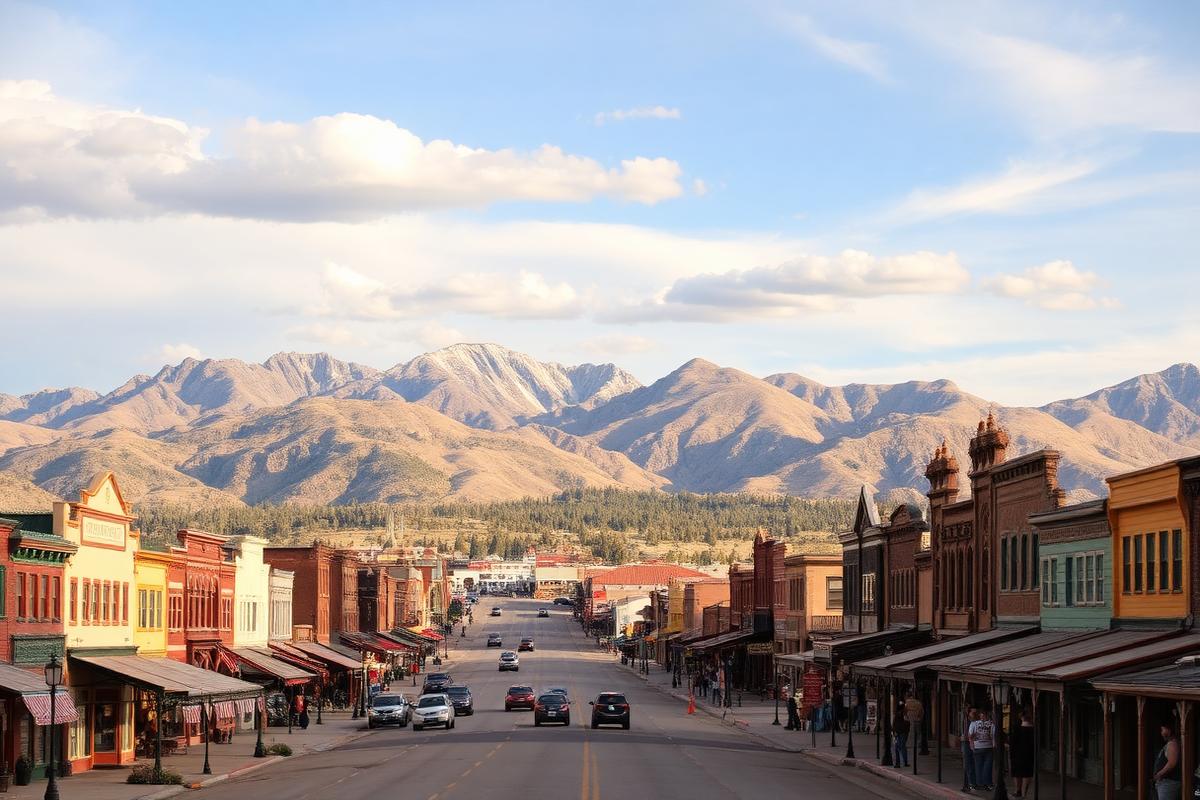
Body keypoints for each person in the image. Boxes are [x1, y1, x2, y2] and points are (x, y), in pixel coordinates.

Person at [1009, 707, 1035, 798]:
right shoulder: (1033, 729)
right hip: (1029, 753)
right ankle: (1024, 793)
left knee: (1017, 773)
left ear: (1021, 717)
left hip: (1017, 753)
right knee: (1027, 773)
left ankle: (1018, 790)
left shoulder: (1017, 728)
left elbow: (1013, 742)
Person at [968, 705, 995, 792]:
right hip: (988, 746)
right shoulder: (992, 724)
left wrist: (972, 746)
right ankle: (988, 784)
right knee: (987, 766)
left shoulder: (974, 723)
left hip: (978, 747)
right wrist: (994, 745)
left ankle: (981, 783)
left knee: (978, 766)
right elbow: (993, 736)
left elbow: (970, 736)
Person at [1153, 720, 1182, 800]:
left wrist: (1159, 774)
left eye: (1162, 730)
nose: (1161, 733)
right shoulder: (1170, 743)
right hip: (1165, 783)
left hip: (1169, 783)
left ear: (1169, 730)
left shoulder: (1173, 743)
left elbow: (1172, 763)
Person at [893, 702, 911, 767]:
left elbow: (894, 723)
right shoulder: (904, 714)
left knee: (897, 747)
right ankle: (903, 762)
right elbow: (907, 723)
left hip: (898, 732)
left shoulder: (898, 714)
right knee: (901, 747)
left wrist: (894, 731)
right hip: (902, 732)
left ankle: (898, 763)